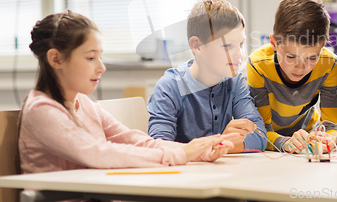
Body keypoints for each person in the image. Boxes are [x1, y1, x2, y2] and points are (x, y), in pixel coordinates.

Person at [18, 11, 234, 174]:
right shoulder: (41, 110)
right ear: (56, 59)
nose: (101, 67)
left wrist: (198, 153)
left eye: (100, 57)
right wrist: (181, 154)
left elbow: (138, 141)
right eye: (90, 57)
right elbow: (97, 153)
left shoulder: (83, 103)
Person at [148, 0, 266, 152]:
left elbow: (260, 136)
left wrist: (221, 145)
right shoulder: (170, 86)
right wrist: (218, 143)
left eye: (241, 44)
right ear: (197, 46)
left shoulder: (234, 82)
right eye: (228, 46)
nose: (239, 55)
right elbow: (160, 147)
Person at [247, 0, 337, 152]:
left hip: (308, 140)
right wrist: (284, 142)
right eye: (291, 57)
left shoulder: (329, 63)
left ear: (323, 46)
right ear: (274, 42)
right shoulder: (258, 65)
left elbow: (332, 126)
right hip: (272, 142)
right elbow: (261, 131)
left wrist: (330, 139)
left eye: (312, 58)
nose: (301, 68)